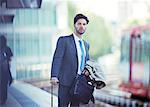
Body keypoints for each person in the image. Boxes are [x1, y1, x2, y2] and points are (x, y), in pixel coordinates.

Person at [50, 13, 90, 107]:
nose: (82, 26)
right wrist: (54, 76)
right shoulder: (64, 41)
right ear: (74, 25)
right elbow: (57, 58)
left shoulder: (86, 45)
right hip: (65, 82)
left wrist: (88, 71)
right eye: (79, 24)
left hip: (79, 84)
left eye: (84, 24)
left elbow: (87, 62)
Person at [0, 35, 13, 105]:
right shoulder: (7, 48)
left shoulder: (4, 49)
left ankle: (2, 99)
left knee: (2, 85)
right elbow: (10, 59)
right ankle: (3, 99)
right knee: (4, 85)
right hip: (5, 70)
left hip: (3, 70)